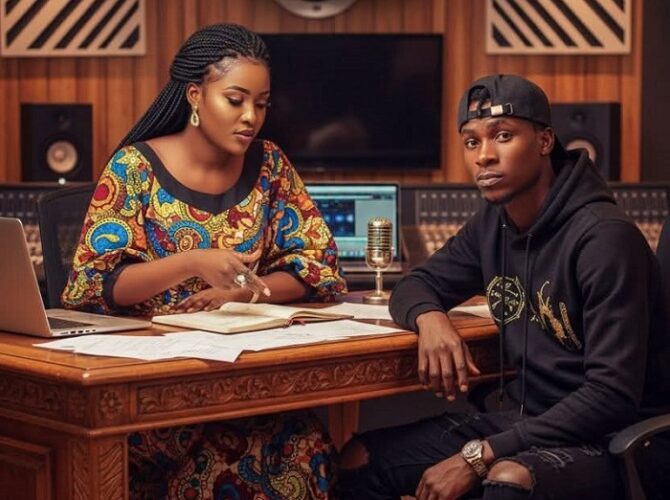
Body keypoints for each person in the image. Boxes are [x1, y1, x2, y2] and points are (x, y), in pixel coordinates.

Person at [334, 74, 670, 500]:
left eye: (503, 136)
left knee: (507, 480)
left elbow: (610, 397)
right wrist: (431, 319)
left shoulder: (605, 238)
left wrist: (478, 457)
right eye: (471, 142)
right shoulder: (494, 223)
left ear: (545, 141)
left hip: (615, 438)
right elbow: (415, 284)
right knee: (358, 461)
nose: (484, 156)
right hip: (527, 420)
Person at [62, 23, 347, 499]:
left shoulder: (270, 165)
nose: (251, 117)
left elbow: (318, 266)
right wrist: (192, 262)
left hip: (247, 382)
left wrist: (244, 293)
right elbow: (95, 283)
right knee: (245, 466)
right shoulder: (134, 167)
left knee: (305, 444)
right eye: (235, 100)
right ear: (195, 95)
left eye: (262, 103)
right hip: (152, 391)